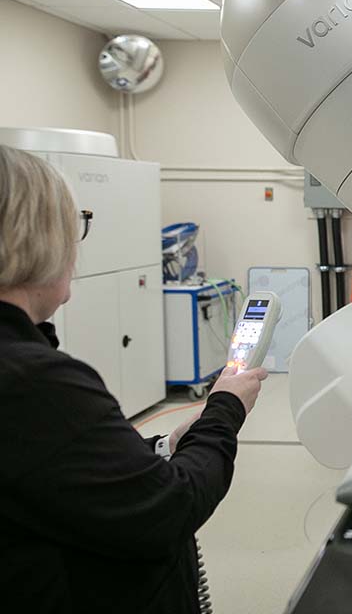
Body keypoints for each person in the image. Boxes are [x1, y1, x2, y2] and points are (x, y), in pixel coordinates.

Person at [0, 144, 268, 614]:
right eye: (74, 227)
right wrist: (224, 410)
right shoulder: (34, 382)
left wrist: (162, 447)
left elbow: (55, 472)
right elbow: (169, 510)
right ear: (38, 238)